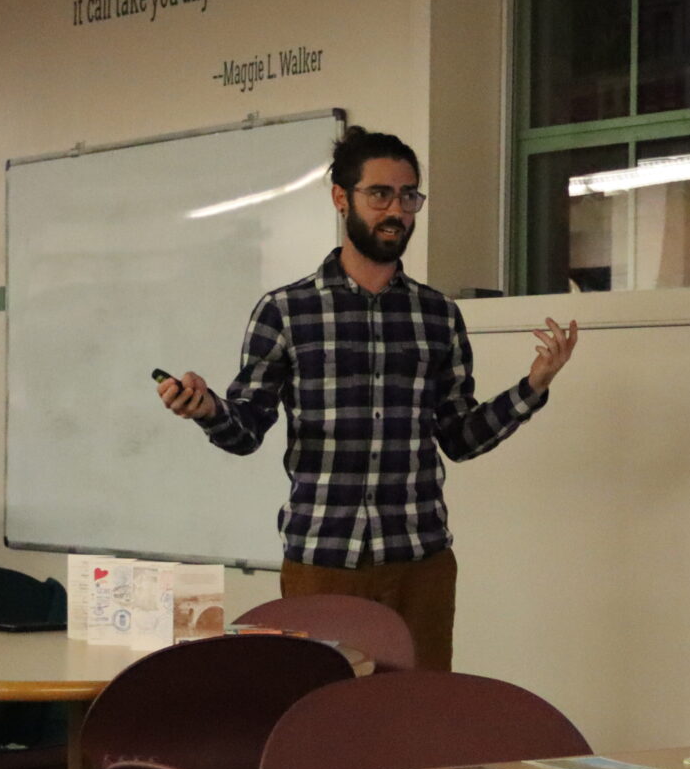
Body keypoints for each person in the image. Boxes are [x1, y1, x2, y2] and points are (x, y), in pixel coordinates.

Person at [158, 126, 578, 670]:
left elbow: (459, 437)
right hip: (322, 562)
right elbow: (245, 431)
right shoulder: (287, 311)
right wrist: (208, 408)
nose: (396, 210)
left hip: (419, 563)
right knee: (325, 721)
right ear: (341, 198)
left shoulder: (438, 315)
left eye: (409, 196)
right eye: (379, 194)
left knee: (419, 723)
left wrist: (532, 387)